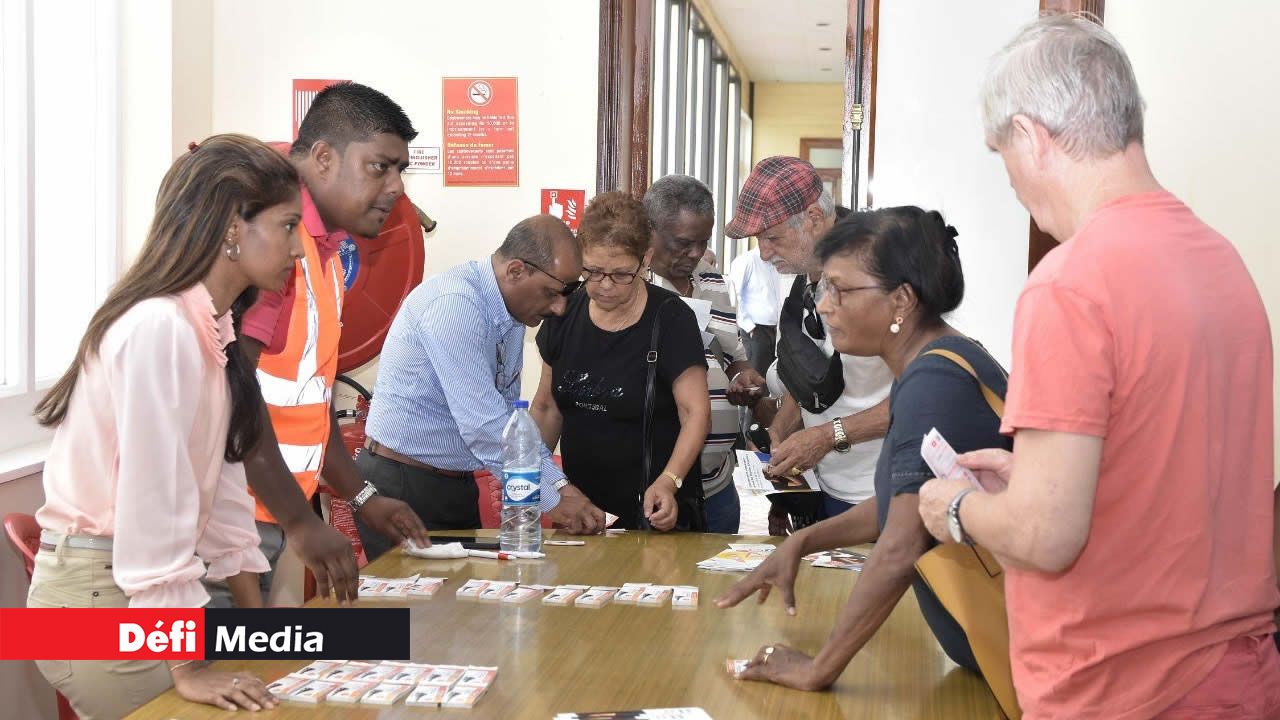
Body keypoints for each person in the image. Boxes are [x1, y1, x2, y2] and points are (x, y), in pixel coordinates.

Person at [917, 15, 1280, 719]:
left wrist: (957, 508)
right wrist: (1033, 482)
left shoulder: (1071, 283)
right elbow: (1178, 476)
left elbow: (1047, 537)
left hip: (1124, 686)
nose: (1015, 185)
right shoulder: (1220, 261)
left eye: (1005, 157)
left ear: (1031, 136)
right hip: (1237, 675)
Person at [27, 135, 303, 718]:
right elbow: (153, 509)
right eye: (287, 226)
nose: (298, 248)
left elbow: (222, 496)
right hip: (99, 603)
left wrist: (260, 634)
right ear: (234, 225)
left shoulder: (210, 329)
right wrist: (190, 667)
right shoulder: (160, 327)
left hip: (131, 595)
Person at [716, 207, 1009, 691]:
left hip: (1011, 652)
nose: (826, 305)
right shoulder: (935, 364)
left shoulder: (933, 380)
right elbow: (902, 508)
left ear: (901, 300)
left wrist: (820, 667)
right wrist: (803, 541)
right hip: (981, 654)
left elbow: (900, 545)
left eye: (841, 290)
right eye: (824, 288)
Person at [205, 82, 431, 607]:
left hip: (264, 518)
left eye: (402, 170)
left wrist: (361, 496)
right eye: (381, 166)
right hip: (227, 524)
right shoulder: (274, 252)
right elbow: (238, 395)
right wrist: (301, 521)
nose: (397, 187)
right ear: (324, 157)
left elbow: (311, 401)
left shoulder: (325, 256)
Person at [354, 215, 606, 560]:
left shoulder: (512, 315)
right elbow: (484, 426)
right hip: (403, 485)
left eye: (567, 293)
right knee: (415, 609)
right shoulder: (454, 304)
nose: (560, 308)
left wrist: (563, 487)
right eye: (552, 293)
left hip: (453, 483)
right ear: (515, 270)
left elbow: (508, 425)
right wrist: (551, 502)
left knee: (461, 608)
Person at [725, 157, 892, 521]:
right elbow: (809, 377)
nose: (764, 253)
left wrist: (825, 437)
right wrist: (780, 440)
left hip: (881, 493)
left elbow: (918, 395)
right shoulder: (806, 281)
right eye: (759, 239)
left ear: (815, 219)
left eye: (772, 237)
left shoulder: (879, 279)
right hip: (826, 488)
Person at [532, 192, 711, 530]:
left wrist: (669, 481)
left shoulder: (671, 319)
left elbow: (696, 412)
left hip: (654, 508)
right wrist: (536, 484)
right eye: (593, 271)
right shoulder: (564, 311)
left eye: (621, 274)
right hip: (580, 507)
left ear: (645, 260)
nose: (605, 286)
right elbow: (546, 407)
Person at [644, 175, 767, 533]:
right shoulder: (632, 287)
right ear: (650, 230)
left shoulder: (711, 279)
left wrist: (744, 378)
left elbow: (733, 356)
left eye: (703, 242)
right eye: (683, 243)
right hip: (658, 488)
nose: (696, 253)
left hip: (718, 485)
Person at [728, 246, 783, 377]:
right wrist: (749, 326)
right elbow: (734, 294)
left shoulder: (776, 262)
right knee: (756, 375)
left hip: (775, 328)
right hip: (755, 329)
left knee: (771, 374)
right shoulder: (746, 260)